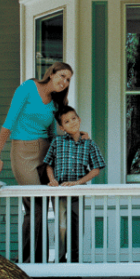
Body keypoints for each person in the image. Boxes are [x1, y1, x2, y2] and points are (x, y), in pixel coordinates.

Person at [0, 62, 74, 262]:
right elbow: (9, 122)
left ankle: (59, 258)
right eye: (62, 76)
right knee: (36, 207)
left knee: (60, 202)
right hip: (23, 152)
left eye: (68, 79)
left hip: (46, 152)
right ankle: (30, 260)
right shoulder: (28, 88)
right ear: (51, 73)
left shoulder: (55, 102)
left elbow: (53, 133)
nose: (64, 82)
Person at [43, 105, 106, 263]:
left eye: (74, 118)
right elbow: (48, 164)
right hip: (60, 191)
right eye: (66, 121)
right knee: (62, 225)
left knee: (76, 226)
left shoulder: (89, 144)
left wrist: (78, 182)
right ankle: (61, 258)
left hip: (77, 191)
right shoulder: (57, 143)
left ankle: (75, 260)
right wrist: (52, 180)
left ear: (79, 119)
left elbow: (96, 169)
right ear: (61, 126)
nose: (72, 123)